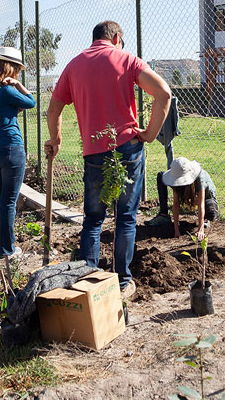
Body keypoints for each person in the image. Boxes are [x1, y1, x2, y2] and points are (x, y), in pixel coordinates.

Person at [45, 20, 172, 300]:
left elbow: (53, 109)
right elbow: (164, 92)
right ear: (116, 38)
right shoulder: (127, 59)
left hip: (93, 153)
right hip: (127, 147)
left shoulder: (73, 66)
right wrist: (150, 134)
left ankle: (88, 283)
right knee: (125, 218)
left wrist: (55, 139)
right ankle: (123, 283)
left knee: (92, 220)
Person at [0, 46, 36, 259]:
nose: (18, 74)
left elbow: (3, 110)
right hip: (11, 149)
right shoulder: (7, 90)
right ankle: (7, 249)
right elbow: (31, 102)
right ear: (9, 68)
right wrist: (19, 85)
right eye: (17, 71)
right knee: (9, 201)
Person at [159, 157, 219, 239]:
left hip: (208, 195)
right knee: (160, 175)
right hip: (188, 190)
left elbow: (201, 204)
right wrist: (176, 229)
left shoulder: (199, 177)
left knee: (211, 213)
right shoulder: (176, 183)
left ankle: (204, 220)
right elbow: (176, 204)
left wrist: (200, 230)